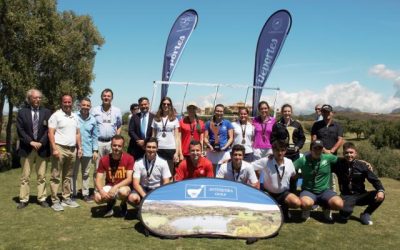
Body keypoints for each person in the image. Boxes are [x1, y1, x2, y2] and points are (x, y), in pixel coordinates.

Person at [333, 142, 385, 225]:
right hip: (346, 196)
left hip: (361, 195)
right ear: (343, 153)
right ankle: (345, 210)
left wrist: (380, 190)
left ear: (356, 153)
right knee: (344, 216)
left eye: (351, 152)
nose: (349, 155)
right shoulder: (338, 164)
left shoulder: (362, 166)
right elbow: (327, 160)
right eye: (346, 153)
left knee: (380, 195)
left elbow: (374, 180)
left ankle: (366, 214)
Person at [16, 89, 52, 209]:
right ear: (29, 99)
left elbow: (49, 130)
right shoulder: (22, 112)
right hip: (27, 148)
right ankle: (23, 199)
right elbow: (20, 130)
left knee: (42, 176)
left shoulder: (47, 112)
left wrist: (41, 142)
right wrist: (30, 142)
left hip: (42, 149)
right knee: (25, 177)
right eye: (35, 98)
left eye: (39, 98)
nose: (37, 100)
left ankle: (42, 198)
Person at [294, 140, 343, 222]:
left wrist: (362, 162)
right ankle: (306, 210)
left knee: (339, 204)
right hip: (308, 191)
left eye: (319, 148)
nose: (317, 151)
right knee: (305, 203)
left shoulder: (328, 158)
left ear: (322, 149)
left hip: (325, 191)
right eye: (315, 148)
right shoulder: (303, 160)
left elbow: (343, 160)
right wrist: (273, 157)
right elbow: (289, 166)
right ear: (310, 150)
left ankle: (326, 208)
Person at [48, 94, 82, 211]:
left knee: (68, 176)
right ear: (61, 103)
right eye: (65, 102)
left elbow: (77, 133)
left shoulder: (75, 117)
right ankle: (55, 200)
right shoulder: (56, 116)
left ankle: (66, 198)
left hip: (72, 149)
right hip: (60, 148)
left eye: (69, 102)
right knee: (55, 176)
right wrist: (54, 148)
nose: (67, 104)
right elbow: (50, 133)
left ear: (72, 103)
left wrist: (80, 148)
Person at [252, 141, 301, 220]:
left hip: (283, 193)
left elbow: (293, 175)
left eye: (282, 150)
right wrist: (256, 178)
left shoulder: (289, 162)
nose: (280, 153)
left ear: (285, 151)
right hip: (268, 193)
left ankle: (284, 208)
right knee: (265, 217)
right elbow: (250, 166)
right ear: (273, 150)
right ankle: (275, 209)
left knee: (297, 203)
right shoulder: (266, 161)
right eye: (277, 150)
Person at [95, 135, 134, 218]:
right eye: (114, 145)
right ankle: (111, 202)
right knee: (97, 198)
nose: (116, 148)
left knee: (123, 192)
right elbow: (98, 179)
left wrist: (115, 187)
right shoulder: (104, 159)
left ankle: (123, 204)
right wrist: (101, 191)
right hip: (110, 185)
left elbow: (129, 179)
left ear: (123, 146)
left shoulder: (129, 158)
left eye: (119, 146)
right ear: (111, 145)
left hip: (123, 186)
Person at [128, 138, 171, 205]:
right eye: (149, 147)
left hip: (157, 189)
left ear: (157, 148)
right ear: (144, 148)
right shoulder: (138, 162)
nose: (151, 150)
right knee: (132, 197)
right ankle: (140, 208)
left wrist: (159, 194)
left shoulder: (163, 162)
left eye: (153, 147)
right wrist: (145, 196)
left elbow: (166, 182)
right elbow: (135, 184)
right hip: (142, 189)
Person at [71, 98, 99, 202]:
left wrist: (95, 150)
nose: (85, 107)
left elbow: (95, 136)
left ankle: (85, 194)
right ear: (80, 106)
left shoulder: (93, 120)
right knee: (73, 173)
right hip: (74, 149)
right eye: (84, 105)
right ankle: (73, 194)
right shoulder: (74, 117)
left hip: (87, 150)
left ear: (90, 107)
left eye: (88, 105)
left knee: (85, 174)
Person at [92, 88, 122, 181]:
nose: (106, 98)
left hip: (111, 143)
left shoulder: (117, 110)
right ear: (101, 97)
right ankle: (97, 192)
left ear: (112, 98)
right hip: (98, 142)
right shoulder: (95, 110)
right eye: (104, 96)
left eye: (108, 96)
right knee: (98, 168)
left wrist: (117, 139)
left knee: (112, 167)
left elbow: (119, 125)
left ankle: (110, 188)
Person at [151, 97, 181, 176]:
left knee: (170, 173)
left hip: (171, 149)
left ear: (171, 106)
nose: (166, 105)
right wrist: (152, 148)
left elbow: (177, 137)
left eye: (168, 104)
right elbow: (153, 136)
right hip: (159, 148)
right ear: (161, 105)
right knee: (158, 172)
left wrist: (177, 152)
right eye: (164, 104)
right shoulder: (156, 119)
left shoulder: (175, 119)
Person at [204, 104, 234, 174]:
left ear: (223, 112)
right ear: (214, 111)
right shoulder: (209, 123)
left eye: (221, 111)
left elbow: (231, 138)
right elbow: (205, 138)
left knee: (225, 172)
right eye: (217, 111)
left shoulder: (227, 123)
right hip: (212, 151)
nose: (219, 113)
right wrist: (210, 146)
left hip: (224, 152)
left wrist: (224, 147)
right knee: (212, 172)